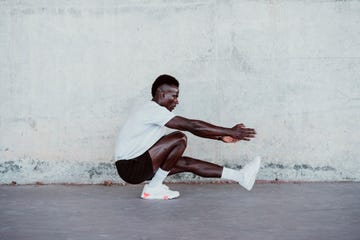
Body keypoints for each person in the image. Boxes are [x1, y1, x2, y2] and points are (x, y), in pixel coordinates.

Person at [115, 74, 261, 200]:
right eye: (175, 96)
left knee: (187, 163)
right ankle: (154, 187)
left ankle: (241, 177)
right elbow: (192, 126)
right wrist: (230, 131)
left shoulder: (156, 113)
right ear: (162, 94)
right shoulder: (152, 110)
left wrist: (220, 137)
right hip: (131, 167)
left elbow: (194, 128)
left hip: (137, 167)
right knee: (179, 138)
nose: (177, 101)